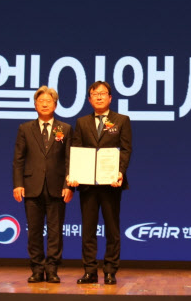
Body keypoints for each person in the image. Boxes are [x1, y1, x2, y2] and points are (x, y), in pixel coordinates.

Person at [68, 81, 132, 285]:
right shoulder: (82, 122)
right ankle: (90, 271)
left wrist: (120, 172)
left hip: (111, 183)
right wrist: (74, 174)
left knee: (112, 229)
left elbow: (125, 149)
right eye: (94, 94)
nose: (99, 97)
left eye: (103, 93)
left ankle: (110, 271)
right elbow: (76, 149)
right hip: (87, 185)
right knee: (88, 230)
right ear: (89, 99)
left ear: (110, 98)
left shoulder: (121, 120)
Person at [12, 86, 73, 283]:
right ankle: (37, 269)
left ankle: (52, 269)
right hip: (32, 187)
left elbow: (69, 160)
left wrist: (68, 185)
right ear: (35, 105)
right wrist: (18, 183)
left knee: (55, 232)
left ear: (55, 105)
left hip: (57, 188)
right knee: (34, 231)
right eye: (41, 101)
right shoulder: (25, 129)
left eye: (48, 101)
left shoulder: (64, 129)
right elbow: (18, 159)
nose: (44, 104)